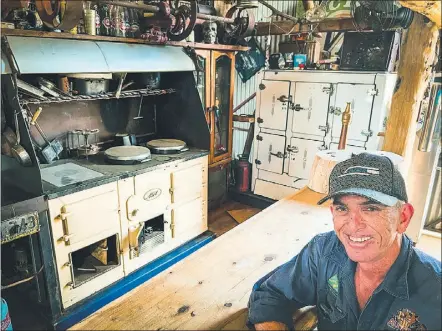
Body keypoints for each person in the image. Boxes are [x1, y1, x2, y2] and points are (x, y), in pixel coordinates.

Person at [247, 153, 441, 330]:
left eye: (370, 208)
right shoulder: (323, 252)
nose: (353, 225)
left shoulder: (435, 289)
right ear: (332, 213)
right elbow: (269, 295)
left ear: (403, 217)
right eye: (342, 209)